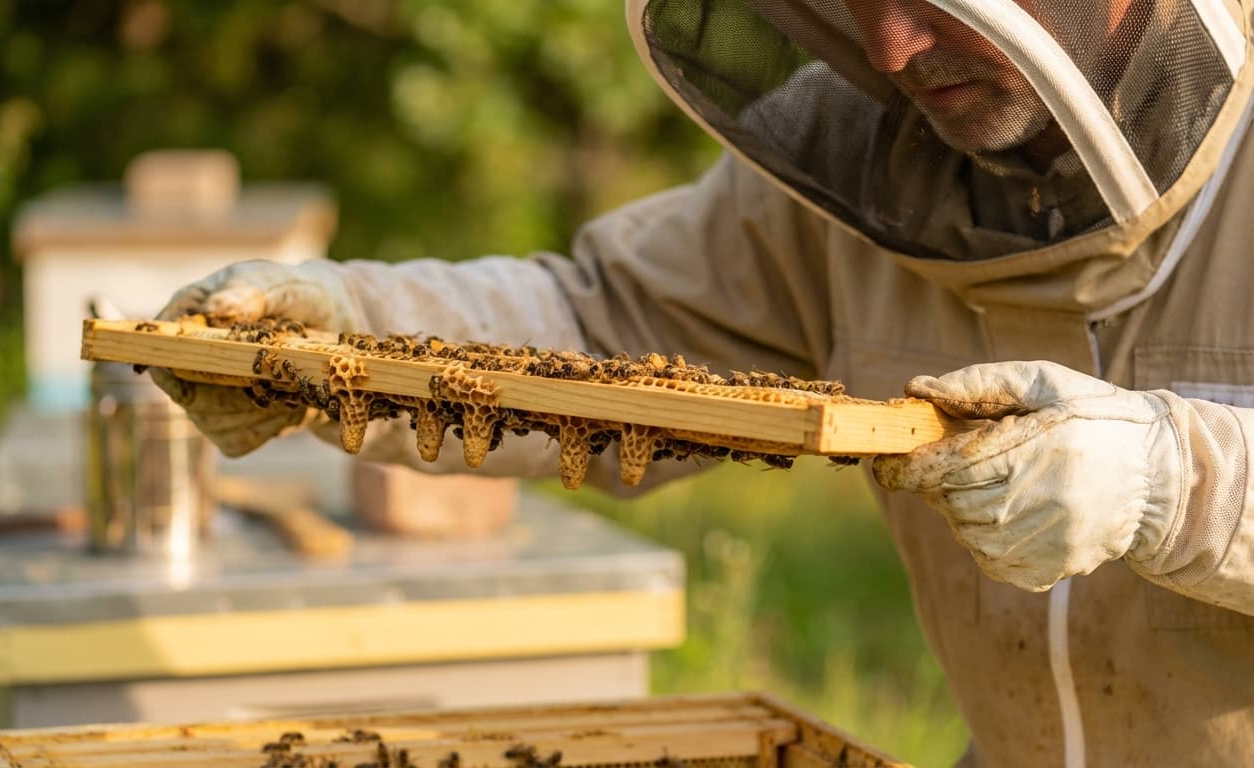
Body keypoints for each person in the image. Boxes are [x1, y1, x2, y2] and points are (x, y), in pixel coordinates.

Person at [152, 0, 1254, 764]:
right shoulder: (873, 170)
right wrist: (349, 341)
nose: (889, 44)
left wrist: (1167, 485)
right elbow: (604, 324)